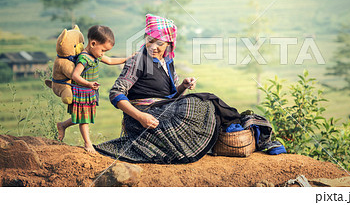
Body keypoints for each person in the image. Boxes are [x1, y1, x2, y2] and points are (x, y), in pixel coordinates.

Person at [94, 14, 281, 163]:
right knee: (202, 102)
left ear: (169, 44)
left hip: (164, 110)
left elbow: (171, 94)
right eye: (150, 40)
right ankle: (245, 128)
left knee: (206, 105)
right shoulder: (138, 60)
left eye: (160, 43)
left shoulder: (167, 62)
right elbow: (116, 92)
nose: (154, 46)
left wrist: (183, 85)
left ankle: (250, 133)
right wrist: (140, 117)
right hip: (144, 116)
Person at [57, 25, 130, 153]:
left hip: (89, 92)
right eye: (103, 50)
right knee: (84, 119)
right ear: (93, 43)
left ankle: (62, 125)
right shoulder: (84, 58)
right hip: (82, 92)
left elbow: (110, 61)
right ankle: (88, 143)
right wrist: (88, 84)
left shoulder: (95, 55)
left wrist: (126, 59)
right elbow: (75, 75)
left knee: (83, 116)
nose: (103, 54)